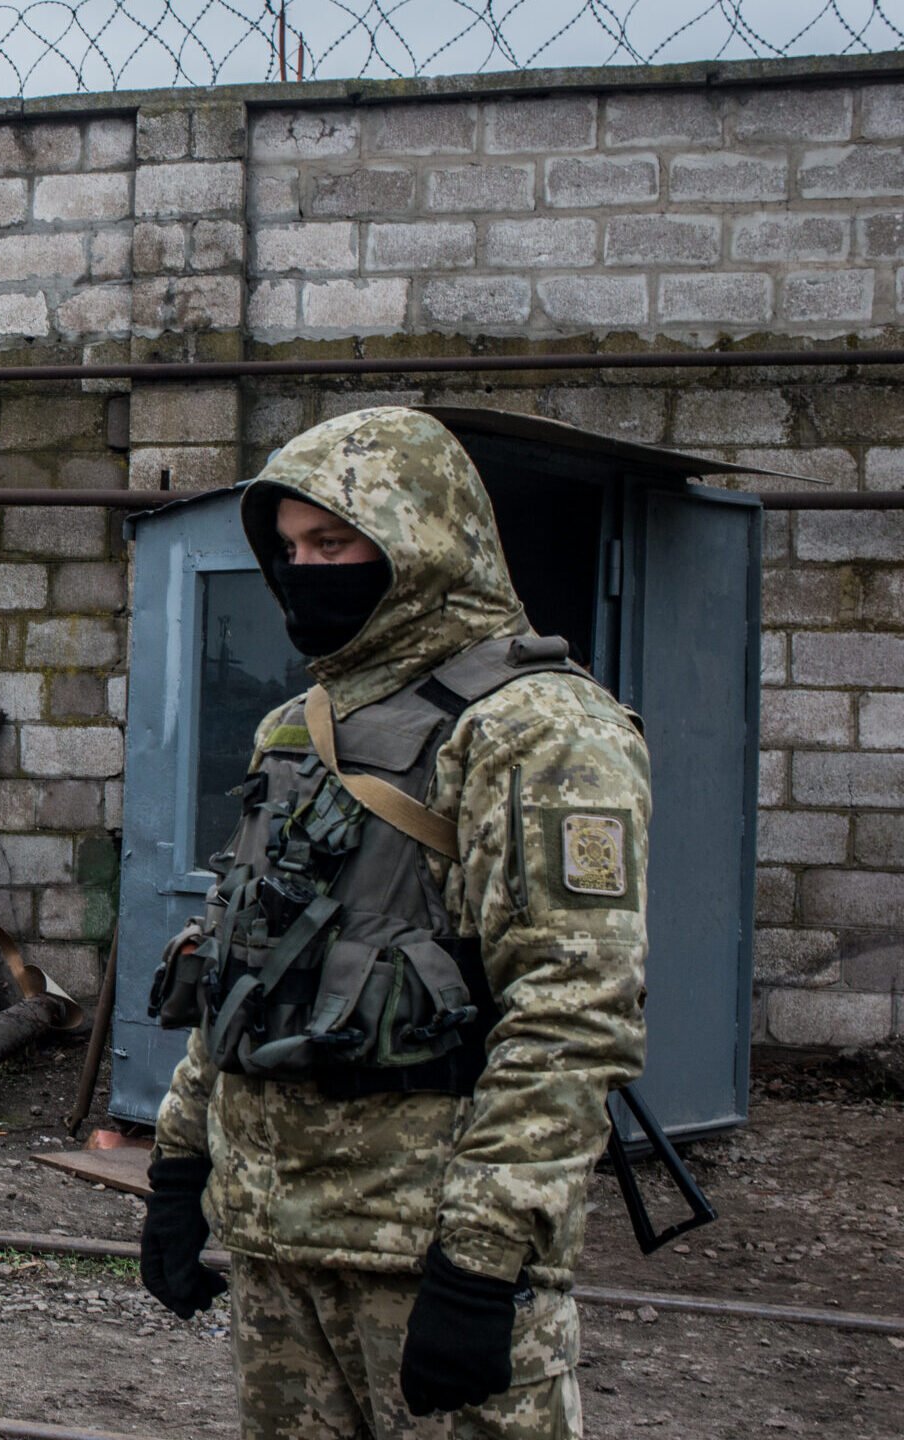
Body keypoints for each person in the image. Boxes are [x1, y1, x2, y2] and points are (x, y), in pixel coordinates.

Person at [138, 406, 651, 1439]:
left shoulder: (537, 730)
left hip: (426, 1244)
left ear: (422, 537)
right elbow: (245, 956)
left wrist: (481, 1257)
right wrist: (181, 1161)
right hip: (279, 1237)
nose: (303, 568)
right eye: (286, 548)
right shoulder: (300, 725)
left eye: (333, 542)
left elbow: (572, 1011)